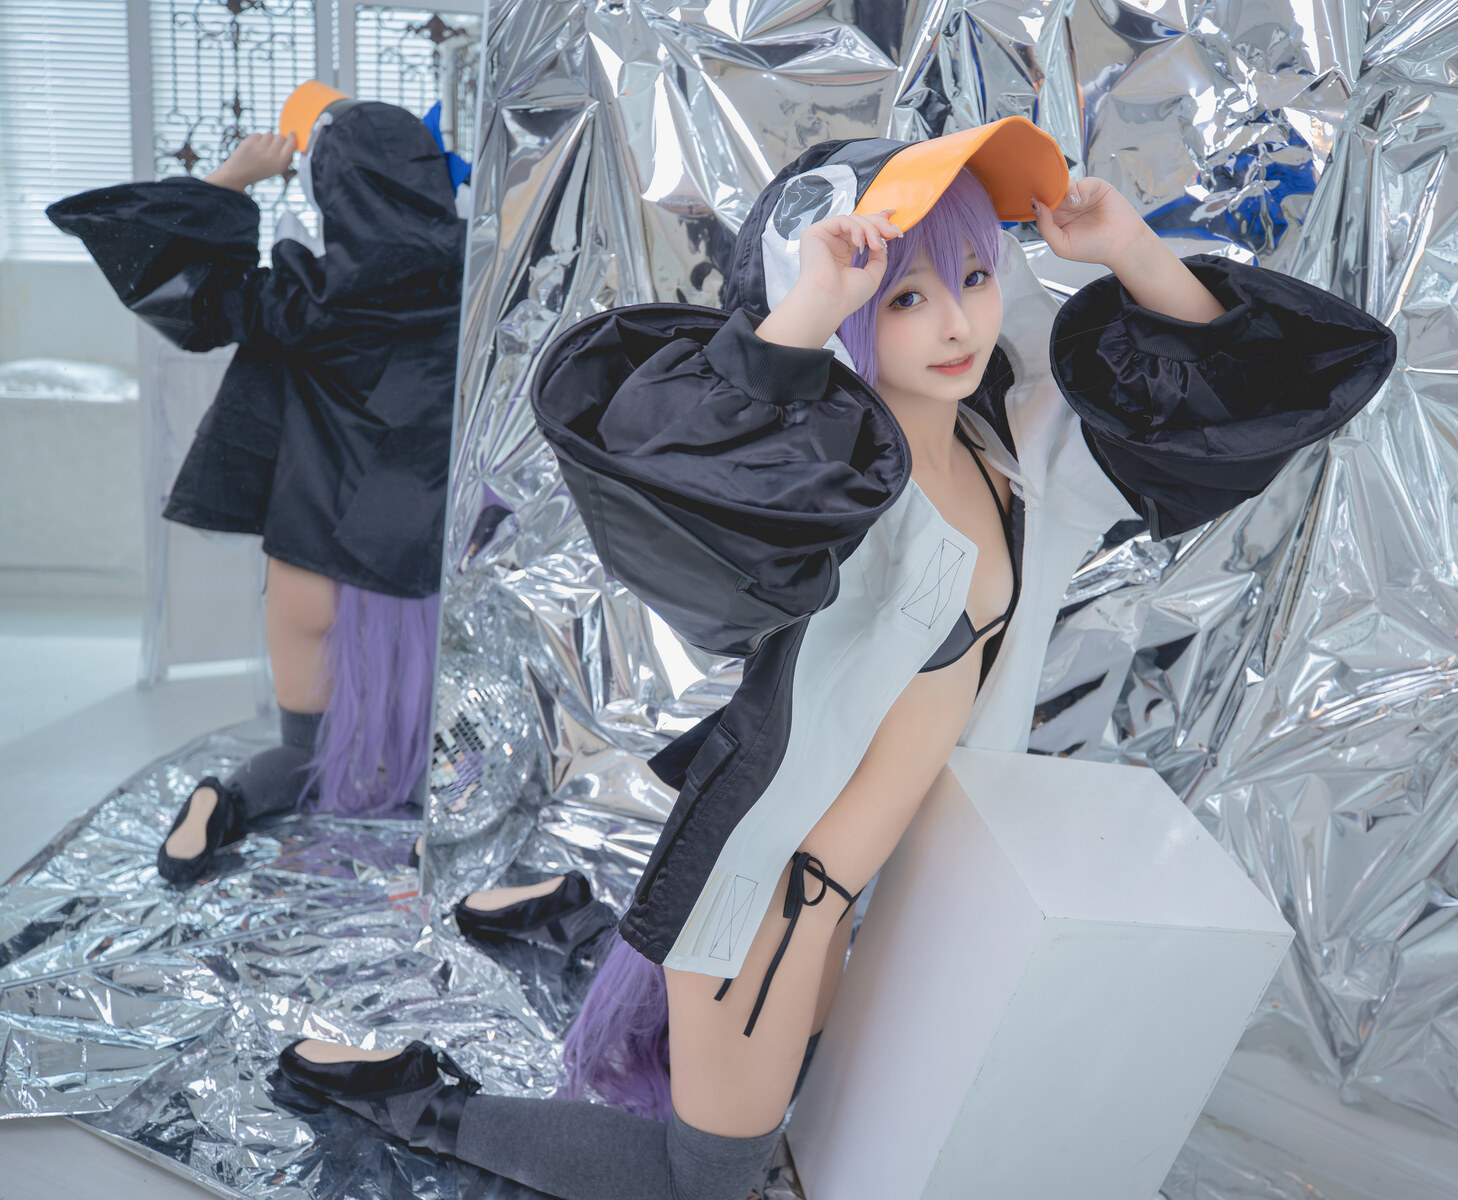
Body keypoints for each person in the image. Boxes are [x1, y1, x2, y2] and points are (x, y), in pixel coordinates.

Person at [275, 118, 1396, 1199]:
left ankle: (565, 919)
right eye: (904, 296)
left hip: (877, 900)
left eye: (973, 277)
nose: (955, 322)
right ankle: (414, 1096)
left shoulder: (1015, 451)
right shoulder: (816, 485)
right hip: (764, 895)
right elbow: (675, 442)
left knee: (809, 1100)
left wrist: (1131, 251)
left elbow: (1241, 393)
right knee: (707, 1180)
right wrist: (807, 305)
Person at [47, 83, 465, 882]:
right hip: (423, 570)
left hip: (310, 560)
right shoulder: (480, 291)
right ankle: (444, 835)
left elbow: (178, 284)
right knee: (442, 749)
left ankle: (221, 802)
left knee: (303, 750)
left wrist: (232, 177)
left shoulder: (302, 297)